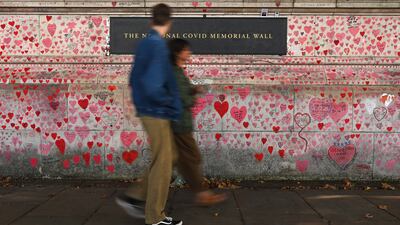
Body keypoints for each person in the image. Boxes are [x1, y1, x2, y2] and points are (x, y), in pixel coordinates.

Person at [116, 4, 183, 225]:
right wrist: (168, 103)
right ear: (169, 22)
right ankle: (155, 216)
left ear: (152, 20)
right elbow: (154, 85)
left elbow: (134, 78)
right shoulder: (157, 46)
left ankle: (134, 197)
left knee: (169, 156)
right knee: (163, 163)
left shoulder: (146, 43)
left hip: (149, 109)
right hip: (156, 111)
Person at [168, 38, 227, 206]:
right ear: (178, 53)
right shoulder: (174, 72)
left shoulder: (178, 71)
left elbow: (182, 91)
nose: (189, 53)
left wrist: (195, 89)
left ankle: (201, 194)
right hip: (179, 123)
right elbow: (181, 98)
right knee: (192, 157)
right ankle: (202, 194)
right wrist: (192, 98)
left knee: (182, 160)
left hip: (180, 122)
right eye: (186, 50)